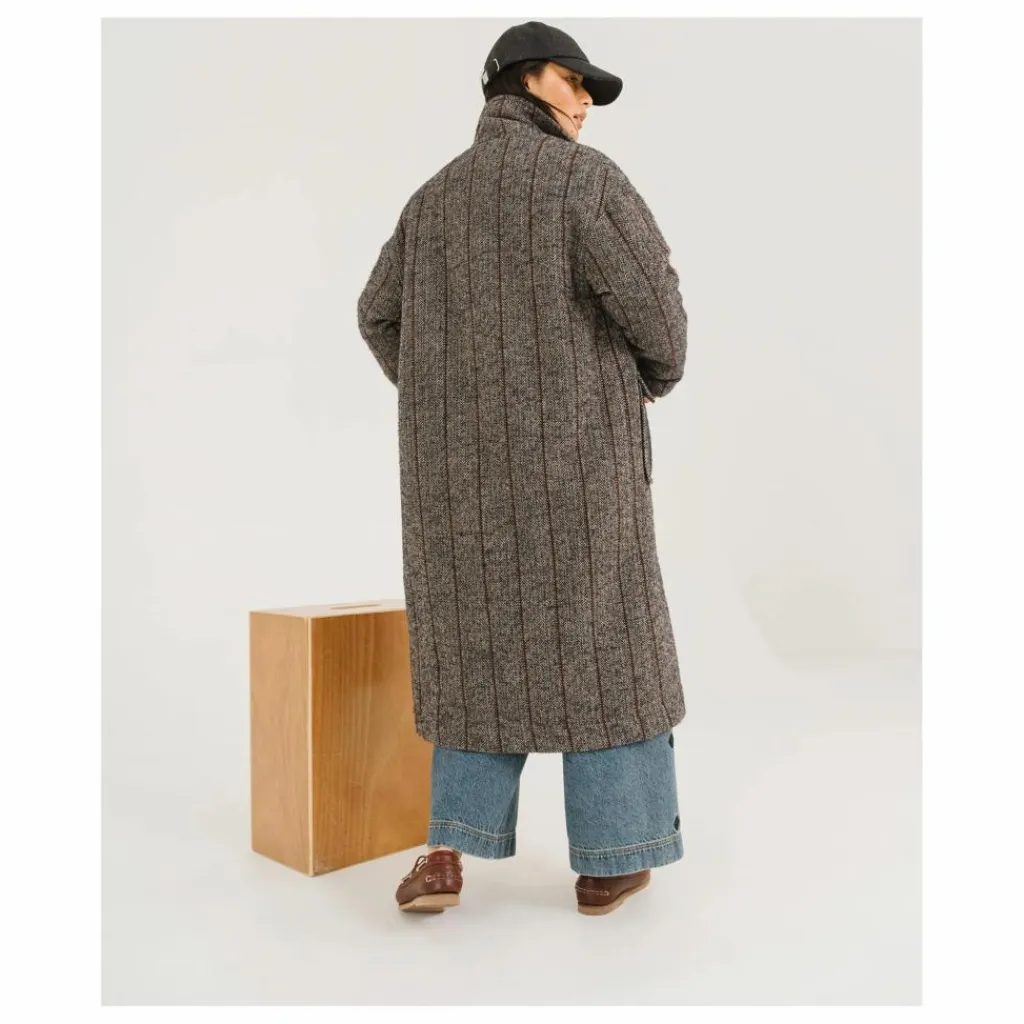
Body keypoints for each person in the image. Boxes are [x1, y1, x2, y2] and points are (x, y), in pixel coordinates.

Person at [356, 20, 689, 916]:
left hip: (456, 488)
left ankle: (446, 851)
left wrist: (445, 400)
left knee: (476, 653)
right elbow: (659, 318)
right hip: (579, 473)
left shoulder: (432, 202)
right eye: (575, 82)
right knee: (606, 646)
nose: (586, 102)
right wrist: (651, 377)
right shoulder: (585, 183)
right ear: (525, 80)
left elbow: (377, 314)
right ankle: (613, 856)